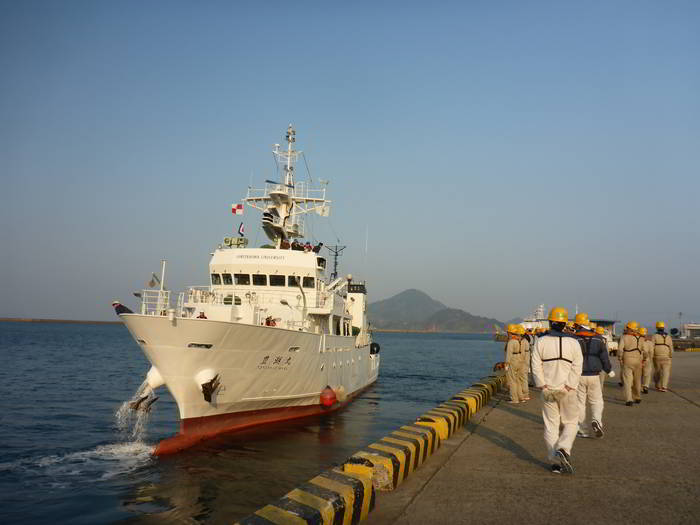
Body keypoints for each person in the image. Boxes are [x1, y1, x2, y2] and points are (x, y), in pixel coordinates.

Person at [531, 306, 583, 474]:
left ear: (550, 322)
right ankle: (564, 448)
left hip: (548, 390)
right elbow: (577, 367)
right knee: (572, 422)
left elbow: (535, 366)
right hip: (568, 391)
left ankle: (555, 463)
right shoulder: (574, 343)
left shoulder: (540, 342)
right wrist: (568, 386)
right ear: (565, 323)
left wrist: (543, 386)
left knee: (551, 425)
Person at [573, 313, 612, 439]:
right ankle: (597, 420)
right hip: (594, 375)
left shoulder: (574, 339)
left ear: (578, 324)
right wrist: (608, 370)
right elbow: (604, 357)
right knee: (597, 401)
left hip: (579, 375)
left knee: (580, 403)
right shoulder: (598, 338)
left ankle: (583, 430)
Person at [618, 321, 643, 406]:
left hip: (627, 359)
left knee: (627, 381)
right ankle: (637, 397)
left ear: (629, 328)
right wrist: (644, 359)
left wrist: (620, 358)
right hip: (638, 360)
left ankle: (629, 399)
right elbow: (644, 351)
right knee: (637, 380)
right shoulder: (641, 338)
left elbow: (620, 349)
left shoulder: (624, 337)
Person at [504, 324, 526, 404]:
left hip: (513, 361)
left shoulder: (511, 342)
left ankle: (514, 399)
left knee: (512, 381)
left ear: (509, 332)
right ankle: (521, 397)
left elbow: (508, 354)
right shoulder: (519, 341)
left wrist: (506, 364)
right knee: (518, 380)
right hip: (520, 361)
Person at [653, 321, 674, 391]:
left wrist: (651, 355)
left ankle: (657, 385)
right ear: (664, 328)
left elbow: (652, 346)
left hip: (657, 356)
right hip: (667, 356)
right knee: (666, 372)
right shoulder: (668, 336)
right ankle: (664, 386)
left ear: (657, 328)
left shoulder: (654, 336)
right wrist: (670, 356)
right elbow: (671, 347)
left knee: (657, 371)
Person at [595, 326, 612, 390]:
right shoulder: (604, 340)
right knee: (601, 381)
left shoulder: (593, 338)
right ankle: (600, 393)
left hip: (594, 363)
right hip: (602, 364)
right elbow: (607, 353)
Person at [639, 327, 654, 394]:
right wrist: (650, 359)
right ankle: (645, 386)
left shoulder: (637, 341)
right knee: (647, 374)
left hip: (638, 359)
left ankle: (639, 386)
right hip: (647, 360)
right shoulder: (650, 343)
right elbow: (651, 352)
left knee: (638, 374)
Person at [520, 328, 532, 400]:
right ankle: (525, 394)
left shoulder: (523, 342)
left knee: (523, 378)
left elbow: (522, 354)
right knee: (525, 377)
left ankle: (525, 394)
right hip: (527, 360)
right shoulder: (527, 341)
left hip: (523, 361)